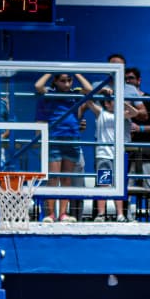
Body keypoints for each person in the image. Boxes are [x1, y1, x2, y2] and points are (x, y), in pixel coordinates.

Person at [34, 72, 91, 222]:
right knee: (53, 178)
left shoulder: (75, 94)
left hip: (72, 139)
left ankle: (63, 214)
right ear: (56, 81)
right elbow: (38, 86)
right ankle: (50, 214)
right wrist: (50, 71)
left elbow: (89, 89)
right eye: (63, 81)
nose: (66, 84)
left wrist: (77, 73)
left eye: (69, 80)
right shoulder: (50, 93)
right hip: (54, 139)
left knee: (66, 179)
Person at [85, 86, 132, 222]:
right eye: (112, 101)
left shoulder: (121, 114)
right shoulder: (101, 112)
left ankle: (120, 215)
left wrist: (122, 102)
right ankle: (101, 214)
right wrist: (100, 91)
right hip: (104, 154)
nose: (115, 103)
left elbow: (134, 113)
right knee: (103, 184)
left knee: (119, 185)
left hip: (118, 155)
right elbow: (88, 100)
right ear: (106, 103)